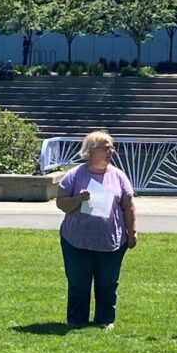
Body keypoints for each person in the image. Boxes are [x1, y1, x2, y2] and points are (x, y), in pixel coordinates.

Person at [55, 131, 137, 329]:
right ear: (91, 150)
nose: (111, 151)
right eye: (105, 147)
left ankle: (105, 320)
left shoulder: (118, 176)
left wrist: (132, 232)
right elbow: (61, 203)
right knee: (78, 283)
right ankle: (76, 321)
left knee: (108, 283)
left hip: (111, 242)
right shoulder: (75, 175)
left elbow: (128, 205)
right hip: (76, 241)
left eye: (111, 147)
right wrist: (78, 199)